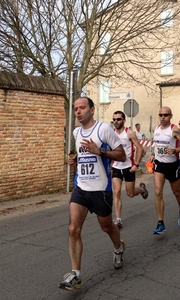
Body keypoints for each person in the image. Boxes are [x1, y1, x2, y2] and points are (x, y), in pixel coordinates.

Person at [59, 97, 127, 291]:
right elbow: (80, 154)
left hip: (101, 188)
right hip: (81, 186)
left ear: (92, 109)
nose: (78, 112)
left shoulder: (104, 129)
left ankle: (118, 248)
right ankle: (75, 275)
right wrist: (73, 159)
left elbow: (122, 155)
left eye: (82, 108)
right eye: (75, 109)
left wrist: (101, 151)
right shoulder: (76, 131)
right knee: (73, 228)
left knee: (106, 226)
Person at [148, 107, 180, 234]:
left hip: (172, 165)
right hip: (159, 165)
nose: (163, 117)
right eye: (161, 114)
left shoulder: (175, 130)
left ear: (170, 116)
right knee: (157, 192)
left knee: (176, 192)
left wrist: (175, 150)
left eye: (166, 115)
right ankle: (160, 223)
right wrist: (153, 154)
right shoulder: (155, 129)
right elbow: (156, 144)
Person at [112, 111, 148, 229]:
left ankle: (142, 189)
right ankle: (118, 219)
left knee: (130, 193)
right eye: (114, 119)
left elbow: (140, 148)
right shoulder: (111, 133)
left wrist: (136, 164)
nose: (116, 121)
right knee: (116, 192)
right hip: (116, 166)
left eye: (118, 119)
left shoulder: (130, 133)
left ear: (124, 120)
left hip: (129, 167)